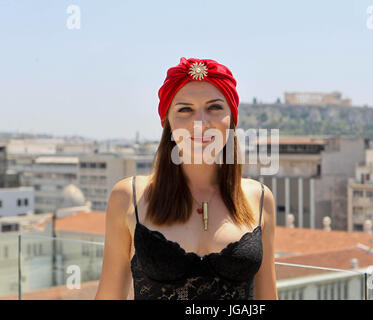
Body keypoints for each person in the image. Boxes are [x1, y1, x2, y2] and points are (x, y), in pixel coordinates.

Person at [95, 57, 277, 300]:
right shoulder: (128, 197)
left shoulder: (260, 198)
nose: (200, 123)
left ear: (231, 118)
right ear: (167, 121)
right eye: (185, 110)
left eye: (214, 107)